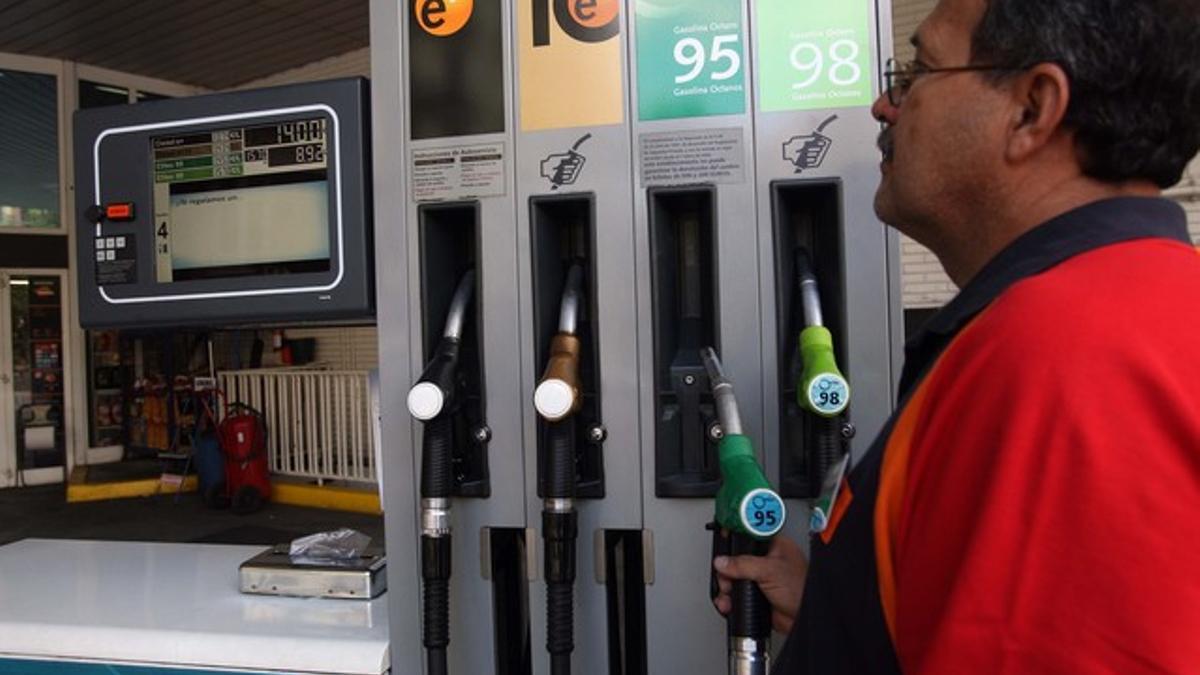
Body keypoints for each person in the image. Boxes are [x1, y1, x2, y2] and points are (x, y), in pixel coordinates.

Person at [713, 0, 1200, 672]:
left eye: (918, 71)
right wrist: (839, 608)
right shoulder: (1138, 305)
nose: (886, 105)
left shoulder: (1061, 359)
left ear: (1032, 109)